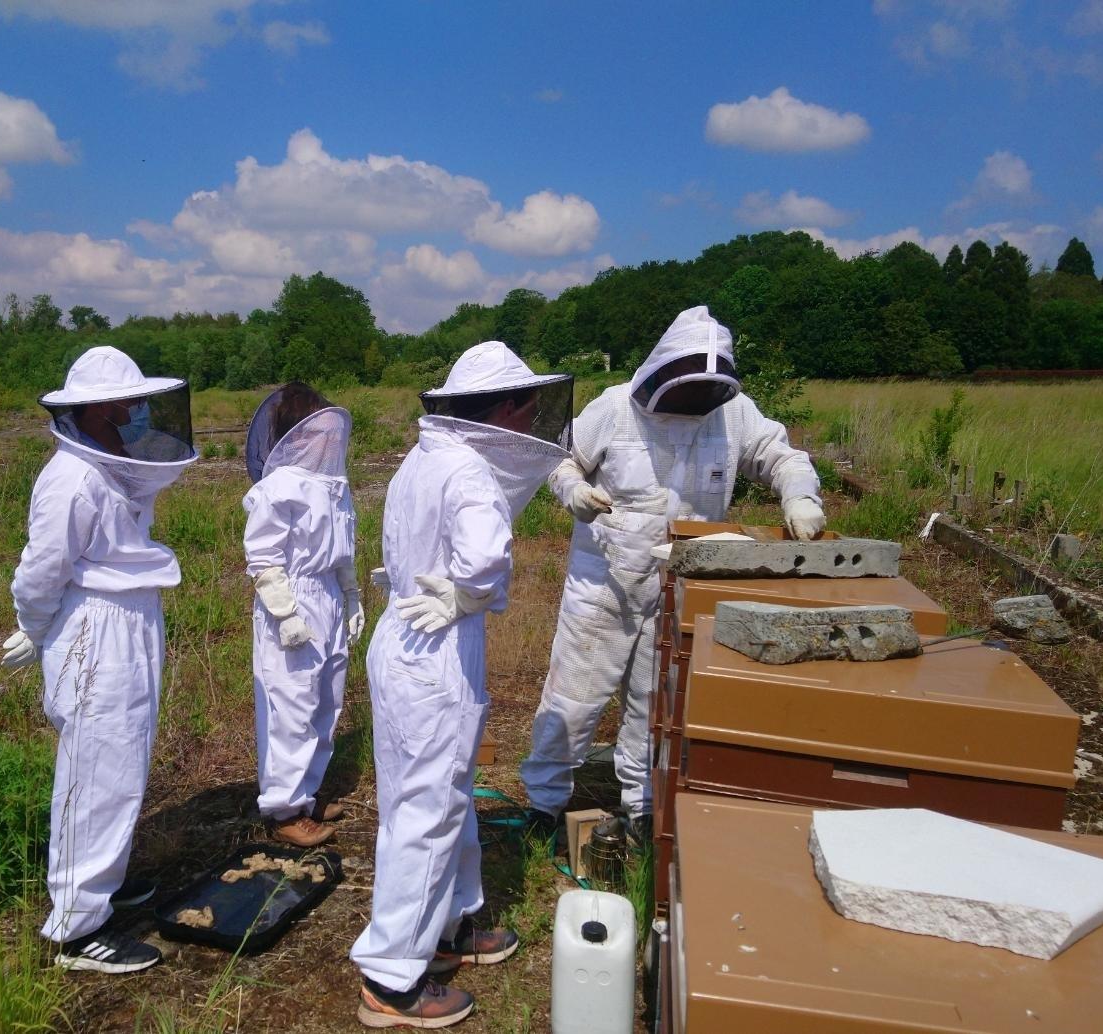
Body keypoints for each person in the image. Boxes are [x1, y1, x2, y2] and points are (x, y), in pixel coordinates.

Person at [518, 306, 823, 842]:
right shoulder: (614, 408)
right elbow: (562, 459)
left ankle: (640, 806)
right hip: (604, 580)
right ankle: (544, 804)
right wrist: (573, 491)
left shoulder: (735, 414)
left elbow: (782, 456)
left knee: (655, 699)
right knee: (574, 695)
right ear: (661, 373)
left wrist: (800, 495)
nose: (692, 401)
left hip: (682, 580)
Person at [352, 342, 573, 1029]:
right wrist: (468, 597)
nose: (533, 422)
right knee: (427, 809)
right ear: (504, 409)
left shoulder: (423, 457)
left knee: (435, 797)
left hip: (404, 637)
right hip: (435, 647)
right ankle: (392, 979)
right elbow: (483, 559)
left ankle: (449, 925)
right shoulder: (469, 472)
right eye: (528, 411)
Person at [0, 346, 197, 974]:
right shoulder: (71, 477)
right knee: (96, 767)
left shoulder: (114, 465)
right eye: (126, 404)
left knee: (121, 759)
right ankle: (77, 929)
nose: (137, 413)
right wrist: (34, 628)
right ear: (95, 408)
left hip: (130, 619)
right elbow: (41, 571)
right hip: (94, 627)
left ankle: (98, 886)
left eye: (138, 403)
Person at [242, 382, 362, 849]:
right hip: (293, 601)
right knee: (290, 704)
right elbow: (263, 557)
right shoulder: (278, 488)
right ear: (296, 434)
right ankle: (284, 808)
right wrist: (285, 613)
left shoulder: (333, 486)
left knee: (326, 701)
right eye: (319, 430)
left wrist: (351, 597)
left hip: (328, 595)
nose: (329, 438)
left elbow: (342, 550)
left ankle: (307, 794)